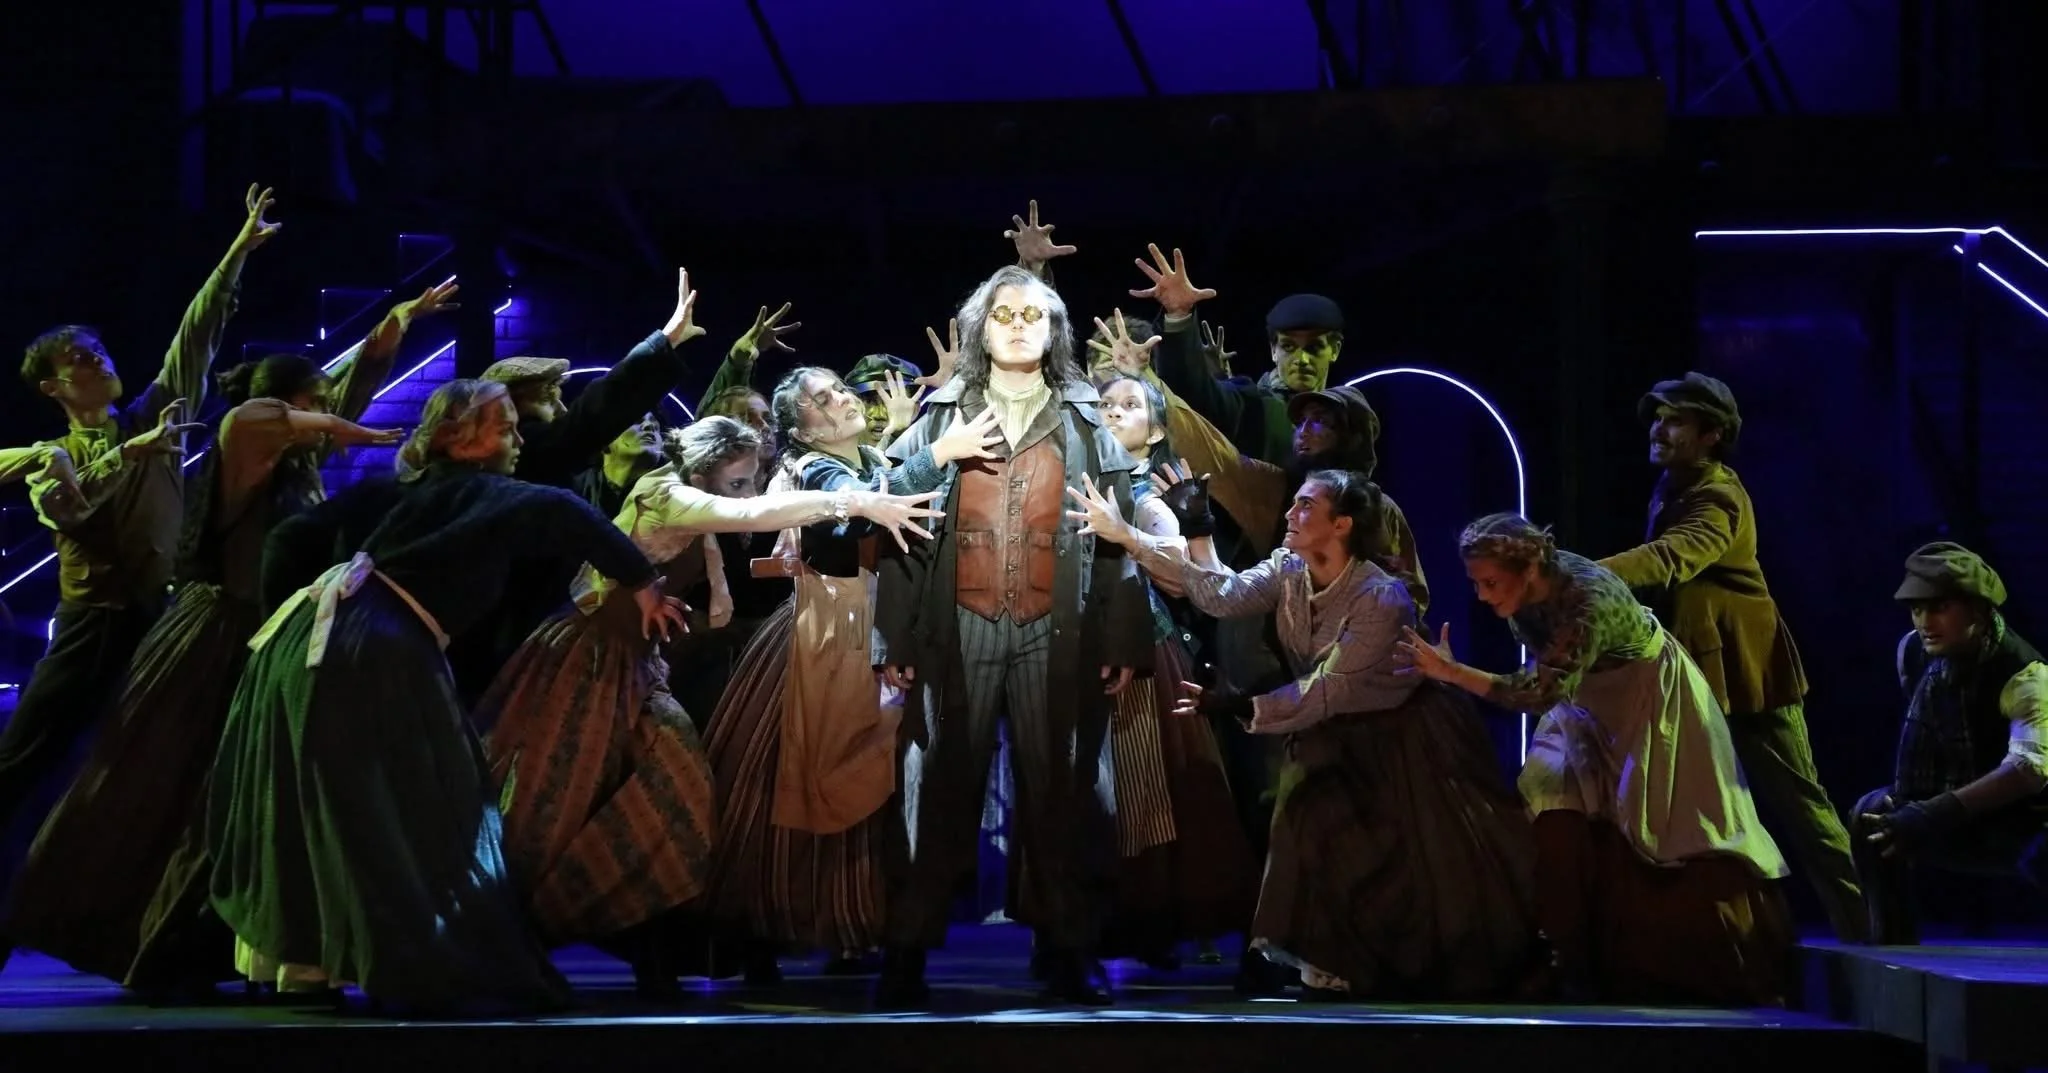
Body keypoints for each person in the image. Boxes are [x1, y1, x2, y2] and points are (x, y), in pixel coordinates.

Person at [0, 282, 454, 994]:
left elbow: (335, 389)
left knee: (218, 798)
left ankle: (207, 946)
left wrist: (395, 324)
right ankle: (75, 925)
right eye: (312, 407)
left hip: (240, 635)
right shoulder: (244, 441)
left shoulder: (293, 457)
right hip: (184, 634)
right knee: (121, 783)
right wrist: (349, 431)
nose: (323, 416)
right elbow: (260, 410)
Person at [206, 378, 681, 1015]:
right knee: (430, 804)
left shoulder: (405, 491)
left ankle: (308, 964)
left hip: (307, 640)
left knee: (324, 803)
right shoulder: (487, 492)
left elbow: (289, 541)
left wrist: (292, 610)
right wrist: (646, 581)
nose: (518, 440)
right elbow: (572, 516)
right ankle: (416, 955)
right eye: (506, 427)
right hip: (371, 650)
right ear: (463, 440)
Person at [480, 411, 939, 997]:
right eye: (737, 479)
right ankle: (525, 939)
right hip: (587, 659)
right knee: (554, 802)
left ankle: (648, 944)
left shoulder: (694, 508)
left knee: (679, 788)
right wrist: (851, 506)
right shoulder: (665, 492)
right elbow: (746, 515)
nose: (745, 491)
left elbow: (723, 586)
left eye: (750, 478)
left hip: (640, 667)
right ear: (704, 467)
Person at [1071, 469, 1540, 999]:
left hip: (1400, 734)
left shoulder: (1381, 598)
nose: (1290, 514)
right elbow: (1225, 595)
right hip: (1326, 727)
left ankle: (1403, 966)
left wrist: (1244, 707)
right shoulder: (1290, 567)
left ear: (1341, 524)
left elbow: (1329, 687)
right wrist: (1150, 536)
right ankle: (1302, 960)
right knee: (1308, 832)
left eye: (1305, 507)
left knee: (1406, 861)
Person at [874, 264, 1150, 1008]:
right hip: (957, 625)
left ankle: (1070, 946)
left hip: (1055, 627)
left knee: (1063, 789)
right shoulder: (941, 413)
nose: (1020, 324)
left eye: (1034, 313)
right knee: (937, 792)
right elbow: (893, 517)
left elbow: (1118, 533)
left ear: (1055, 329)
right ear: (980, 328)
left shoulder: (1086, 416)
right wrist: (892, 637)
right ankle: (906, 948)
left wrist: (1123, 635)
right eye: (1004, 313)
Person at [1395, 514, 1793, 1005]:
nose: (1482, 595)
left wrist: (1452, 673)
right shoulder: (1526, 595)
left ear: (1530, 567)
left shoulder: (1588, 602)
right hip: (1581, 700)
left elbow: (1537, 692)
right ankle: (1562, 952)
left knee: (1670, 826)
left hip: (1644, 697)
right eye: (1477, 583)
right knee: (1549, 798)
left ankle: (1682, 966)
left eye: (1491, 582)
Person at [0, 183, 279, 849]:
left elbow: (197, 334)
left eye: (98, 350)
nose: (99, 360)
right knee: (23, 761)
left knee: (176, 760)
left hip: (159, 612)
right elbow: (68, 507)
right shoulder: (51, 456)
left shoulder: (155, 411)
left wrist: (236, 252)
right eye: (79, 360)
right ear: (53, 388)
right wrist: (126, 454)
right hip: (93, 624)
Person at [1600, 372, 1865, 941]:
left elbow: (1673, 557)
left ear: (1711, 434)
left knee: (1799, 802)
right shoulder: (1673, 484)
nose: (1658, 429)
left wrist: (1587, 573)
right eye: (1658, 417)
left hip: (1744, 670)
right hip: (1697, 665)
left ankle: (1870, 928)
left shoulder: (1718, 495)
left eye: (1674, 420)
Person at [447, 268, 707, 705]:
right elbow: (592, 418)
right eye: (550, 394)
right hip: (509, 628)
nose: (561, 404)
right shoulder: (532, 449)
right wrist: (663, 343)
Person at [1853, 543, 2048, 944]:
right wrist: (1918, 809)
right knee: (1872, 815)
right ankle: (1892, 946)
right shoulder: (1913, 652)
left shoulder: (2026, 676)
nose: (1925, 622)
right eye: (1917, 609)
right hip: (1957, 805)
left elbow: (2027, 773)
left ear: (1977, 611)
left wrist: (1933, 813)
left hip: (2023, 820)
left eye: (1939, 608)